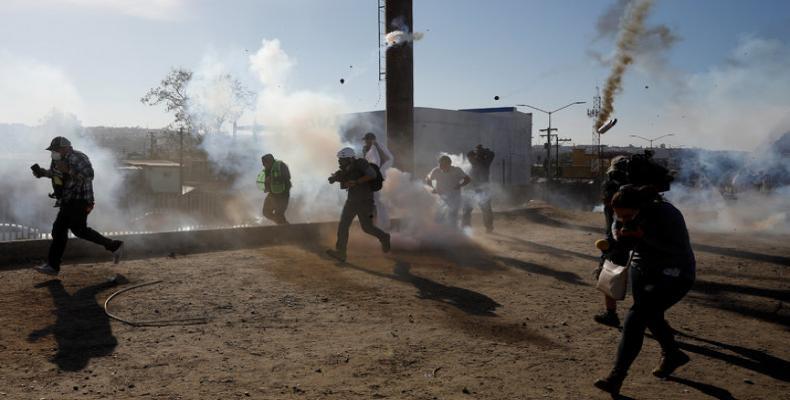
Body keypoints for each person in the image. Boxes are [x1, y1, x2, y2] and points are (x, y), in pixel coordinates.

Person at [594, 185, 696, 396]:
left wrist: (644, 236)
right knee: (651, 316)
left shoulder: (667, 214)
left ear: (640, 207)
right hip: (642, 270)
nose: (623, 220)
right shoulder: (622, 216)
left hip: (674, 273)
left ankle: (616, 377)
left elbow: (677, 249)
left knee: (636, 317)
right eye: (619, 216)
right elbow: (619, 242)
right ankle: (672, 354)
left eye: (628, 216)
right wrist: (612, 247)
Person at [30, 136, 124, 275]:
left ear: (65, 148)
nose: (53, 153)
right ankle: (114, 245)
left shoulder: (78, 157)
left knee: (60, 230)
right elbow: (56, 175)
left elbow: (89, 175)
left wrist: (68, 170)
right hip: (68, 200)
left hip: (80, 200)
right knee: (79, 230)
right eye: (52, 150)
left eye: (56, 150)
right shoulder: (57, 160)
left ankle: (53, 265)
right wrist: (42, 173)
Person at [326, 147, 391, 262]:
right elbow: (343, 180)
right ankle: (341, 253)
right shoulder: (346, 169)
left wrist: (356, 182)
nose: (340, 162)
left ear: (350, 158)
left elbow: (372, 174)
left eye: (342, 159)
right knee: (343, 226)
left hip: (365, 202)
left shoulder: (360, 163)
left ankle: (384, 237)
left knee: (367, 228)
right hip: (351, 201)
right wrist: (334, 178)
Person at [425, 155, 471, 227]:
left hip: (454, 196)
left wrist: (460, 185)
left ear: (449, 164)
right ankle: (439, 232)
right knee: (439, 215)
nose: (442, 166)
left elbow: (468, 179)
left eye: (444, 164)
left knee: (452, 214)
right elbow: (427, 179)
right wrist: (432, 188)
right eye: (440, 164)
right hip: (441, 196)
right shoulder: (436, 170)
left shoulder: (457, 170)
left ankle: (453, 231)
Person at [362, 132, 393, 229]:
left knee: (380, 201)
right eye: (366, 140)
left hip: (378, 177)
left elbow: (387, 159)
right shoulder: (365, 149)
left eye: (368, 139)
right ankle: (375, 224)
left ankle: (383, 225)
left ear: (372, 140)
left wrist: (377, 147)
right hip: (370, 177)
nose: (366, 142)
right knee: (372, 201)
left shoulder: (378, 147)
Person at [462, 144, 495, 232]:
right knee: (467, 209)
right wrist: (478, 151)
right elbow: (469, 154)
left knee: (486, 209)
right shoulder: (474, 162)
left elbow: (492, 154)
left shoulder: (485, 163)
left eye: (479, 153)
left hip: (482, 189)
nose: (470, 160)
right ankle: (466, 227)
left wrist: (483, 150)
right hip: (471, 189)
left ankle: (489, 227)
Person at [256, 153, 291, 225]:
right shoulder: (267, 170)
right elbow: (267, 182)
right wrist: (266, 187)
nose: (264, 165)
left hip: (283, 194)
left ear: (270, 161)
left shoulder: (281, 165)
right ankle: (282, 224)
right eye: (263, 163)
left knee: (279, 214)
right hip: (272, 194)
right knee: (266, 212)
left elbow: (287, 177)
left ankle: (285, 227)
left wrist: (273, 179)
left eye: (265, 163)